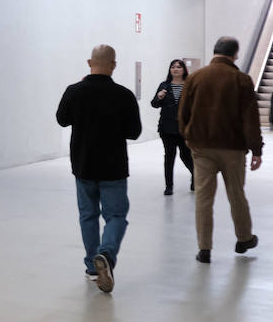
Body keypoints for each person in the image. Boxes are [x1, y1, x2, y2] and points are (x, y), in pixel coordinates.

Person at [55, 44, 143, 294]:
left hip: (83, 165)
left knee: (88, 215)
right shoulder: (124, 95)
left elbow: (62, 119)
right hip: (113, 166)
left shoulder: (74, 91)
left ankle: (92, 266)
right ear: (113, 65)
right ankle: (105, 254)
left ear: (88, 62)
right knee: (115, 216)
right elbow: (134, 132)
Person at [177, 36, 262, 264]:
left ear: (215, 51)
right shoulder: (241, 80)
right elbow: (250, 119)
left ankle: (204, 249)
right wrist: (256, 149)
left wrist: (188, 136)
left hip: (201, 147)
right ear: (235, 54)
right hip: (233, 149)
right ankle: (244, 238)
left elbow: (182, 113)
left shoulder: (195, 77)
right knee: (236, 194)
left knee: (203, 199)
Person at [150, 59, 194, 195]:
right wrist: (159, 97)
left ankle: (195, 176)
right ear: (170, 70)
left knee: (186, 155)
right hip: (166, 128)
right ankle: (169, 186)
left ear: (183, 70)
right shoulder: (164, 85)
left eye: (179, 67)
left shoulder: (189, 85)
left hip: (184, 128)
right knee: (169, 156)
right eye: (173, 67)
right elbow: (154, 104)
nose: (175, 69)